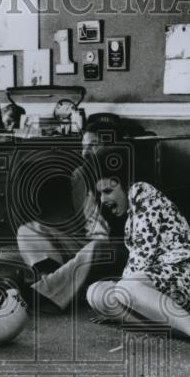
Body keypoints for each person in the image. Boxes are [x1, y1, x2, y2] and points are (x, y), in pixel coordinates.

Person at [84, 147, 190, 361]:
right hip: (157, 286)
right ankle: (186, 329)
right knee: (95, 292)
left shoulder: (142, 193)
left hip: (184, 279)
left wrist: (121, 302)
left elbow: (142, 257)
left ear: (125, 183)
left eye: (108, 191)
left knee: (124, 287)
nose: (103, 200)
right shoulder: (132, 214)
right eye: (99, 194)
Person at [14, 117, 130, 314]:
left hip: (120, 247)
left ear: (112, 147)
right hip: (88, 246)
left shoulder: (127, 172)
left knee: (97, 246)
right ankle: (52, 281)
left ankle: (44, 295)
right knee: (28, 230)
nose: (85, 151)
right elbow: (83, 222)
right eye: (83, 146)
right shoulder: (81, 174)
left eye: (94, 145)